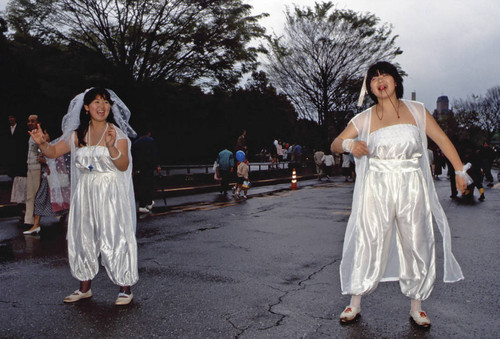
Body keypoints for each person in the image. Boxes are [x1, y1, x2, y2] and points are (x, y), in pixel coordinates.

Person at [331, 61, 469, 327]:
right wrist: (349, 144)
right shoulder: (365, 118)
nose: (380, 80)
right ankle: (355, 302)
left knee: (416, 238)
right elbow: (335, 143)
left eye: (385, 75)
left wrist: (460, 171)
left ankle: (417, 306)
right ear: (369, 87)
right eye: (374, 78)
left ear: (396, 81)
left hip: (411, 183)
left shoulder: (417, 111)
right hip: (377, 184)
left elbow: (441, 139)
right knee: (369, 237)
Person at [29, 87, 138, 305]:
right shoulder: (78, 134)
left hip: (111, 192)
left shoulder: (116, 134)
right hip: (85, 191)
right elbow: (52, 152)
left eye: (106, 102)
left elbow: (123, 164)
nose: (102, 106)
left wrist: (111, 148)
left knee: (115, 236)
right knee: (83, 236)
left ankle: (125, 288)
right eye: (96, 102)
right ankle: (84, 287)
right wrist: (42, 143)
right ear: (86, 107)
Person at [23, 131, 57, 235]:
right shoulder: (42, 147)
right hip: (45, 177)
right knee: (39, 199)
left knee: (61, 201)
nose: (44, 136)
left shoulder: (55, 146)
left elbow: (57, 160)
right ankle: (36, 224)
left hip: (53, 178)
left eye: (46, 133)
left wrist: (45, 161)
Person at [132, 128, 161, 213]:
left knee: (142, 186)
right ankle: (144, 204)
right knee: (148, 186)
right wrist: (158, 165)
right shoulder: (151, 141)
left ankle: (147, 203)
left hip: (139, 168)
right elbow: (155, 153)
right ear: (148, 133)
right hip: (148, 167)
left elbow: (133, 156)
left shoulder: (136, 143)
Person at [6, 115, 29, 205]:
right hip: (10, 157)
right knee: (13, 177)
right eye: (9, 118)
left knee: (19, 178)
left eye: (12, 117)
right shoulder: (6, 129)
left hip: (19, 157)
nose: (10, 119)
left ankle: (20, 198)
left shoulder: (21, 129)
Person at [24, 115, 42, 228]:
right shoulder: (31, 134)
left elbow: (44, 148)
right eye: (29, 121)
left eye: (33, 121)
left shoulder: (40, 134)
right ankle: (28, 219)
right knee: (29, 195)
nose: (30, 123)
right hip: (30, 166)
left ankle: (35, 221)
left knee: (37, 194)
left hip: (37, 167)